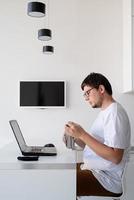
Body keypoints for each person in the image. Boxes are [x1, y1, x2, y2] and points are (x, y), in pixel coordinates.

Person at [64, 72, 131, 198]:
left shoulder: (114, 113)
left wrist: (82, 134)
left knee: (59, 182)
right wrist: (76, 137)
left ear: (101, 89)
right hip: (96, 171)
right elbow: (95, 148)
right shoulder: (105, 112)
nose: (86, 98)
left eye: (87, 93)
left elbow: (115, 157)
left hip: (106, 180)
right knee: (59, 173)